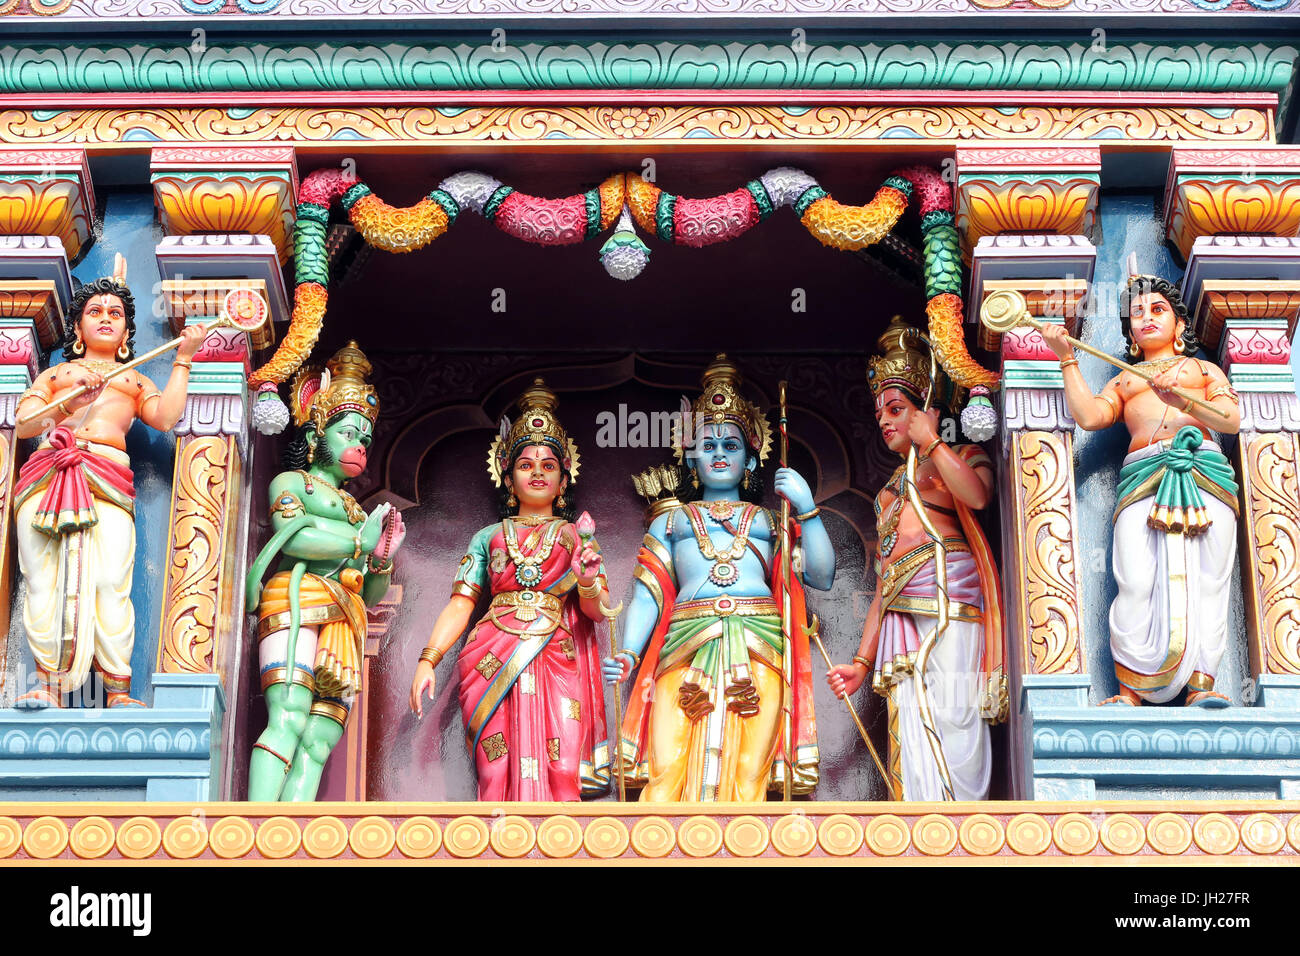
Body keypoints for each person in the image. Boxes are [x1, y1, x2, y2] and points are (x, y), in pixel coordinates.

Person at [605, 355, 833, 801]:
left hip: (759, 642)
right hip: (684, 643)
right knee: (667, 765)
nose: (719, 455)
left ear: (751, 460)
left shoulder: (770, 520)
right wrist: (630, 654)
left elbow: (821, 577)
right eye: (707, 447)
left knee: (751, 769)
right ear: (692, 462)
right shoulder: (671, 524)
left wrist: (805, 506)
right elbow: (647, 596)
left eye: (731, 447)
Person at [13, 254, 206, 709]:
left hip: (106, 479)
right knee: (44, 579)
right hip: (50, 475)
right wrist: (68, 402)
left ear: (125, 335)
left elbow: (166, 417)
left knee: (108, 581)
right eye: (94, 312)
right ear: (77, 330)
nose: (105, 318)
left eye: (115, 313)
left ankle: (118, 689)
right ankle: (46, 683)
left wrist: (184, 358)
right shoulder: (57, 374)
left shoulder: (134, 381)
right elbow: (23, 424)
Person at [1042, 268, 1241, 707]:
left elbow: (1230, 421)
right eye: (1136, 313)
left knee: (1207, 578)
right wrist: (1066, 358)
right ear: (1130, 331)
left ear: (1180, 325)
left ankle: (1201, 685)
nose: (1147, 317)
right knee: (1134, 577)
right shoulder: (1125, 379)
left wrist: (1184, 400)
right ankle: (1130, 688)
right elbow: (1091, 417)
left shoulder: (1201, 369)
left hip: (1202, 473)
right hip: (1143, 479)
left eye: (1158, 309)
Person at [827, 316, 1005, 800]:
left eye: (896, 408)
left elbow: (979, 496)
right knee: (911, 709)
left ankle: (964, 816)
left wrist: (932, 442)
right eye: (879, 411)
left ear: (925, 408)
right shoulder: (887, 494)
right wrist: (862, 663)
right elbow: (884, 583)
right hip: (901, 607)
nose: (884, 420)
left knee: (954, 708)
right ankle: (923, 814)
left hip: (952, 594)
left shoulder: (960, 456)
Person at [409, 380, 611, 801]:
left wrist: (588, 579)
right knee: (494, 763)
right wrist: (429, 659)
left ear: (564, 478)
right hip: (492, 651)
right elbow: (461, 603)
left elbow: (596, 612)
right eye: (526, 464)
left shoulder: (577, 536)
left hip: (557, 654)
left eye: (548, 465)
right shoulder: (488, 537)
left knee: (564, 763)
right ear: (506, 475)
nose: (537, 472)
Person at [246, 341, 405, 801]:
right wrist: (359, 542)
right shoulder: (292, 483)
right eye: (349, 434)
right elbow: (293, 538)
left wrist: (381, 558)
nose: (358, 446)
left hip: (345, 614)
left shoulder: (360, 511)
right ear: (318, 432)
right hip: (295, 601)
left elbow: (372, 592)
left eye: (365, 441)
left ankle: (291, 835)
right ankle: (256, 824)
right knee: (289, 714)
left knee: (319, 737)